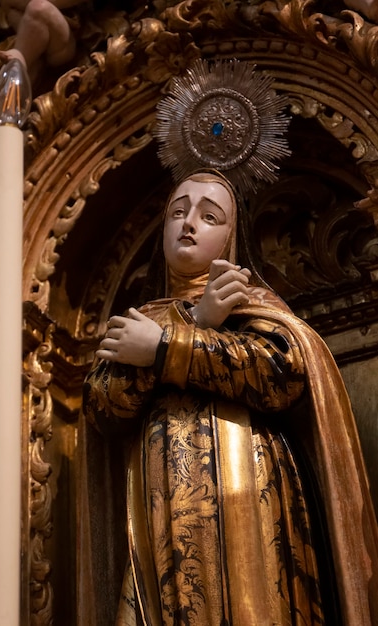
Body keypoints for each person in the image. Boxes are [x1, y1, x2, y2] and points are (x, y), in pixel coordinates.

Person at [80, 170, 378, 625]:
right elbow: (103, 407)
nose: (188, 223)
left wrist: (166, 347)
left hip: (247, 497)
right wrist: (194, 322)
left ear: (232, 237)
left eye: (209, 215)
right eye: (177, 212)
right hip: (158, 510)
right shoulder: (139, 319)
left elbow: (283, 373)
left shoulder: (251, 305)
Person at [0, 0, 83, 152]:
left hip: (64, 41)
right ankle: (0, 133)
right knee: (18, 65)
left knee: (39, 8)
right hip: (32, 44)